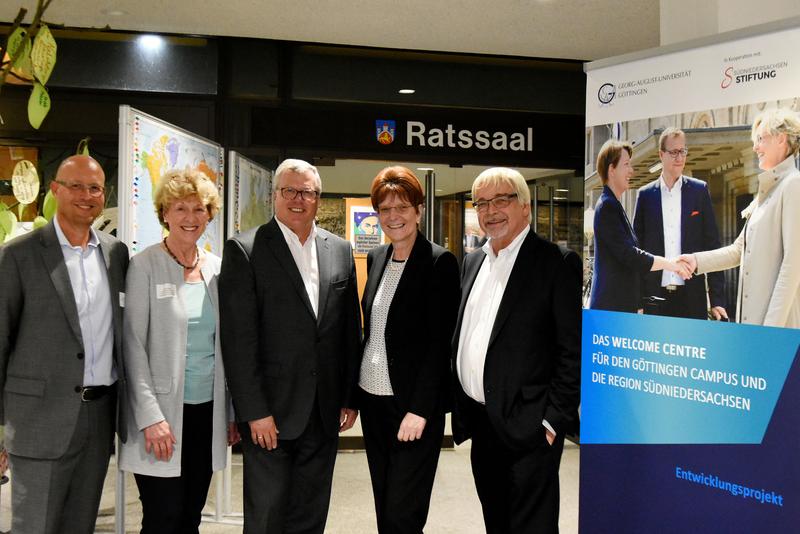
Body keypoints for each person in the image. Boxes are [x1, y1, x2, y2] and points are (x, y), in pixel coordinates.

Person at [219, 158, 362, 533]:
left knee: (310, 516)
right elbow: (239, 340)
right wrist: (254, 412)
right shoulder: (245, 250)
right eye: (290, 191)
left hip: (324, 411)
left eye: (308, 192)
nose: (299, 199)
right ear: (275, 195)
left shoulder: (340, 250)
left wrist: (348, 396)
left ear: (318, 197)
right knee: (267, 518)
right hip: (271, 415)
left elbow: (349, 331)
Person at [0, 155, 128, 534]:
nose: (86, 195)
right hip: (38, 420)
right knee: (35, 526)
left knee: (80, 525)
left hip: (98, 418)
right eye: (75, 185)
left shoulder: (115, 254)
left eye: (95, 188)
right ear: (55, 190)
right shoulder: (18, 255)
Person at [452, 167, 580, 534]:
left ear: (525, 205)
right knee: (497, 521)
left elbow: (571, 351)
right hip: (483, 423)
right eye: (482, 203)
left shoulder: (555, 262)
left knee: (531, 526)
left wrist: (552, 420)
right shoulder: (473, 261)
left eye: (501, 200)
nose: (490, 210)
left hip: (531, 426)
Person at [119, 169, 240, 533]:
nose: (191, 218)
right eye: (181, 208)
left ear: (210, 214)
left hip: (207, 413)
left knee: (190, 515)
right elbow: (132, 346)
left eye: (199, 209)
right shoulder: (144, 266)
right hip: (161, 419)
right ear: (165, 213)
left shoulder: (217, 269)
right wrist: (151, 417)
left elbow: (229, 347)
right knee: (162, 517)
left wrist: (231, 411)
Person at [357, 166, 460, 533]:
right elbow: (374, 331)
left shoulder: (439, 262)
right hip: (373, 400)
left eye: (402, 207)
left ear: (419, 211)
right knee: (385, 503)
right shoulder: (378, 259)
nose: (393, 216)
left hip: (412, 408)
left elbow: (439, 345)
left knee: (405, 511)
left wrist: (420, 409)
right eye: (384, 209)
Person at [681, 108, 800, 328]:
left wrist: (771, 329)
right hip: (754, 326)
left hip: (776, 328)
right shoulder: (767, 191)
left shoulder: (793, 184)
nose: (755, 147)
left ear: (781, 139)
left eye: (760, 140)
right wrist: (697, 261)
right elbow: (739, 250)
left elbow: (793, 264)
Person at [633, 127, 727, 320]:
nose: (679, 157)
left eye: (683, 151)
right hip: (654, 297)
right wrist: (636, 300)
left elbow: (713, 245)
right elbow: (637, 251)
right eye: (673, 152)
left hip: (692, 297)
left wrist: (717, 299)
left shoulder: (699, 191)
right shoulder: (645, 195)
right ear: (661, 154)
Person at [589, 139, 690, 313]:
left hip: (618, 308)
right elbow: (630, 255)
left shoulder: (614, 204)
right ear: (611, 169)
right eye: (626, 164)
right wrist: (670, 264)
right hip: (611, 309)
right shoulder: (608, 206)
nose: (631, 171)